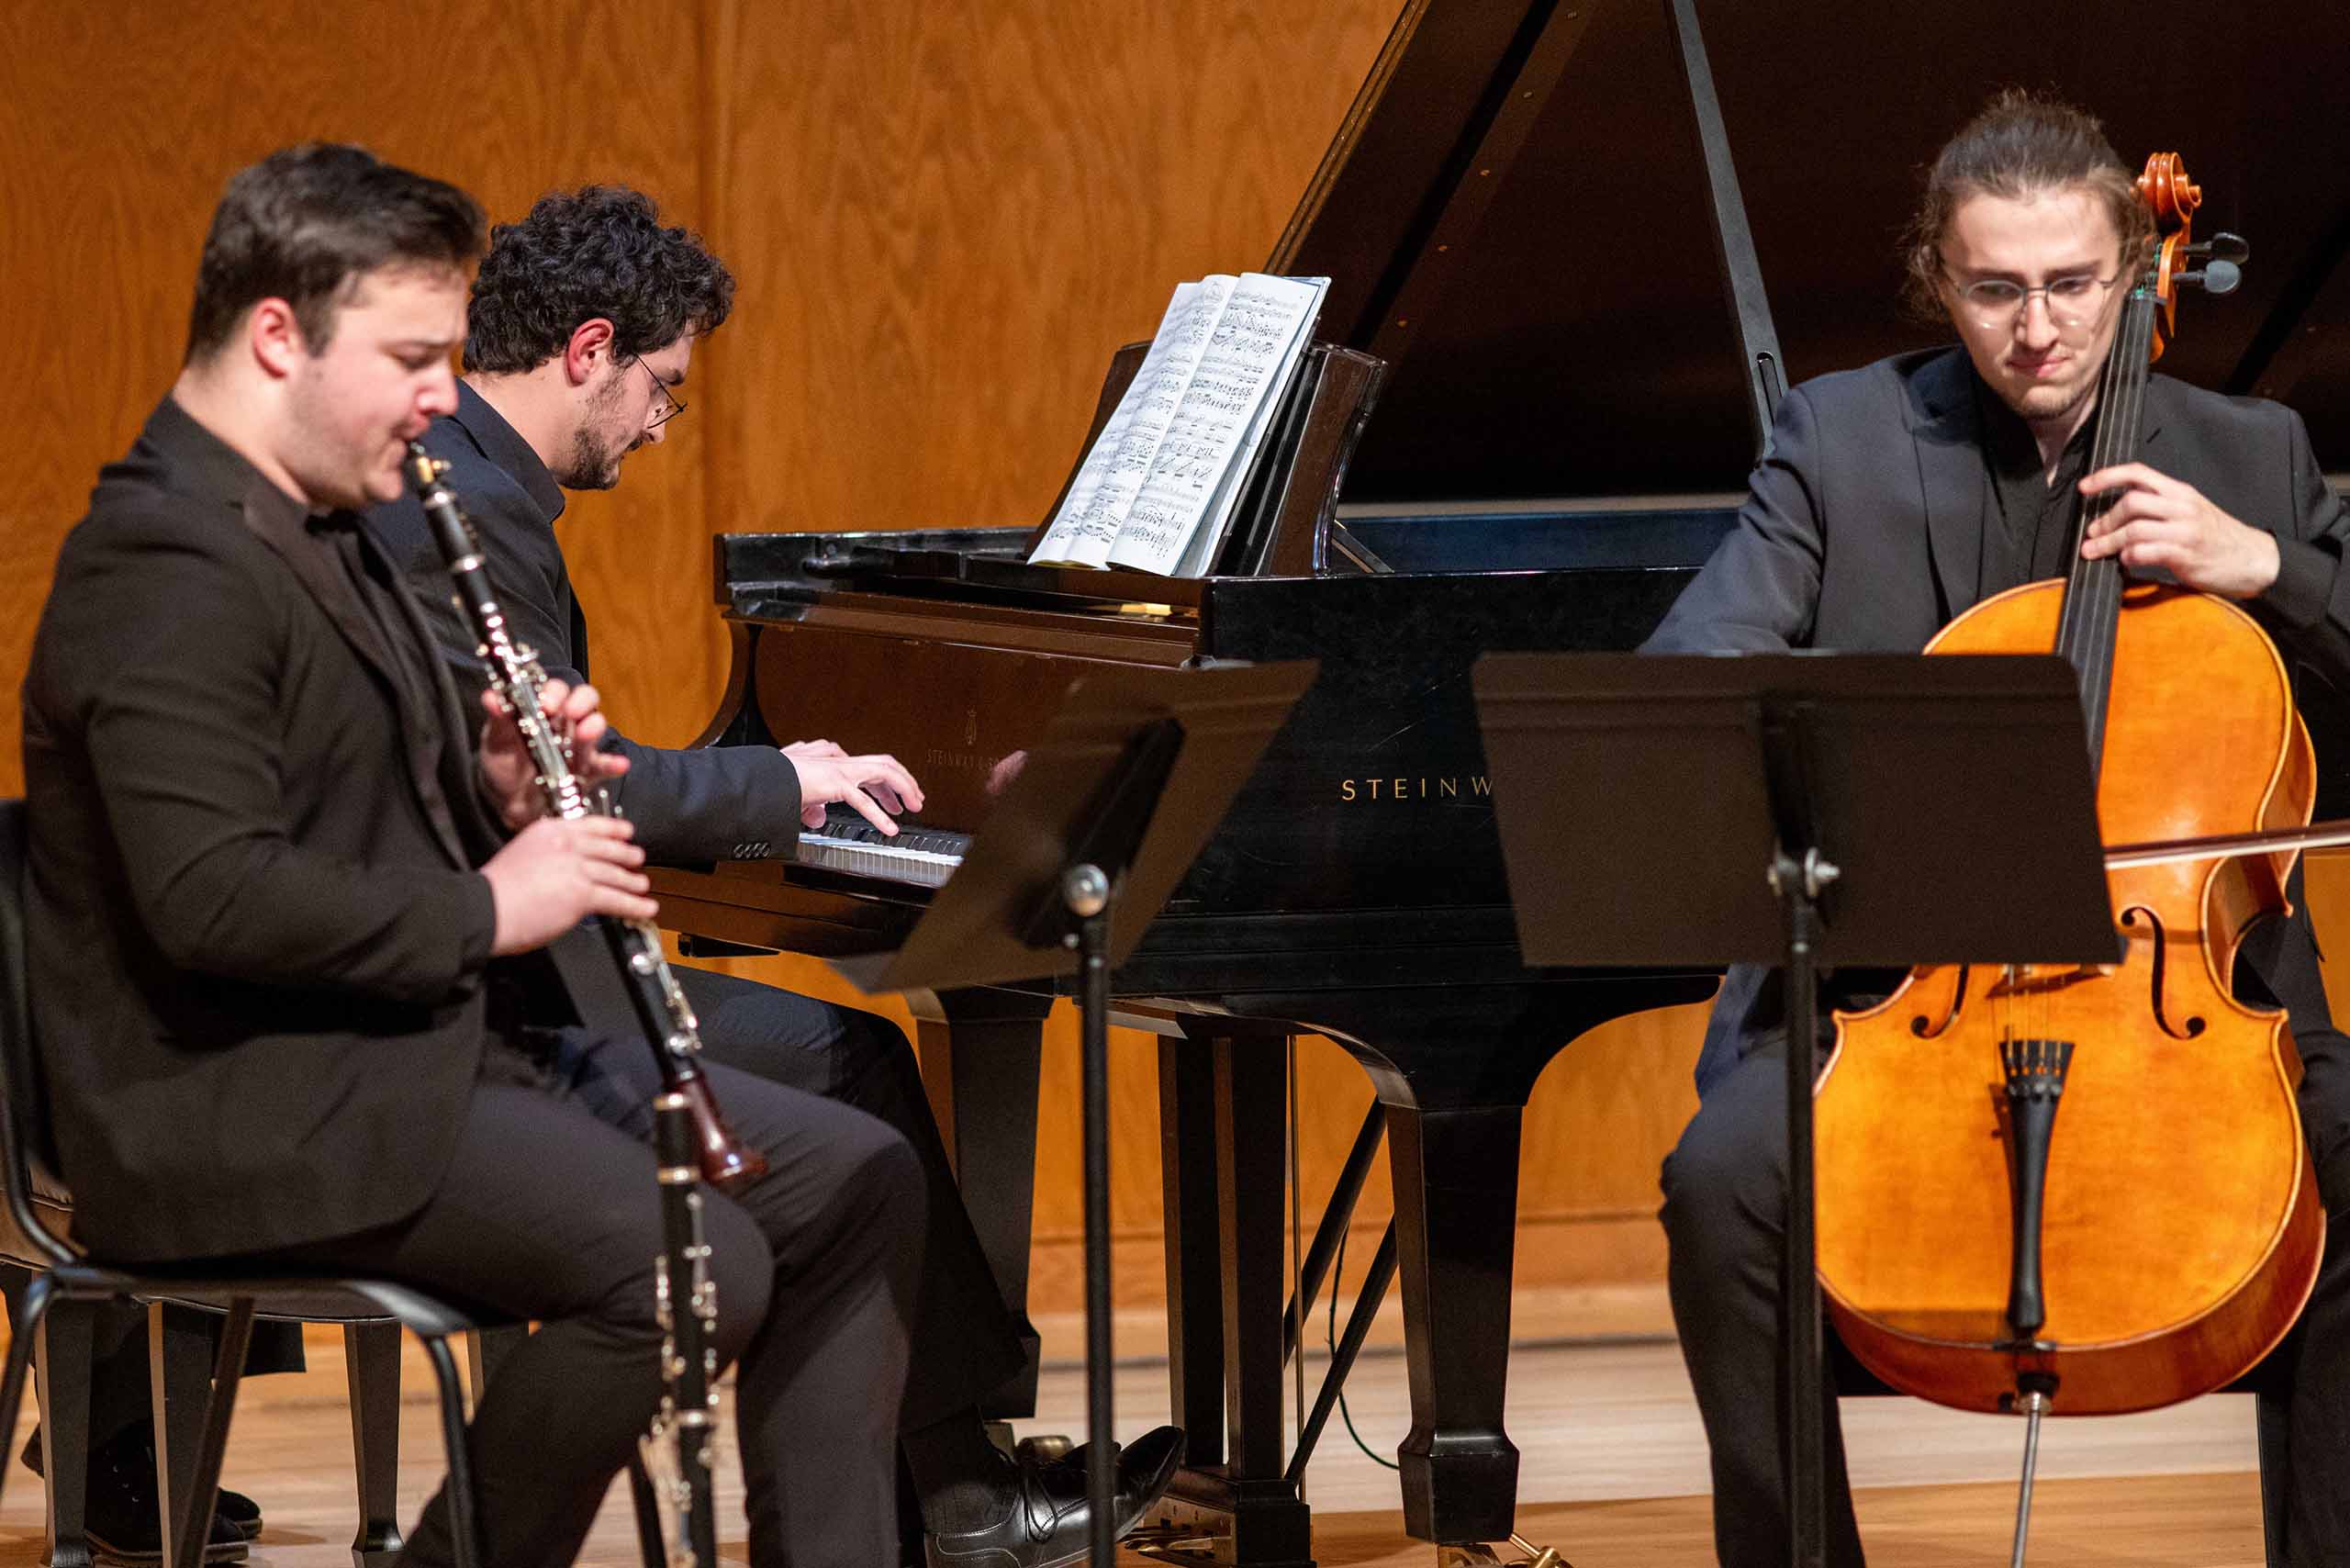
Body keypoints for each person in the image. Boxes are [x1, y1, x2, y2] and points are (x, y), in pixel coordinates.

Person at [21, 143, 929, 1568]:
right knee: (685, 1269)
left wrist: (497, 788)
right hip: (250, 1094)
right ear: (279, 337)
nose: (446, 398)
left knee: (857, 1175)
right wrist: (493, 898)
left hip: (381, 1045)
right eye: (413, 359)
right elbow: (210, 899)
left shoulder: (308, 527)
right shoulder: (167, 564)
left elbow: (351, 795)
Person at [364, 184, 1181, 1568]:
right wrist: (776, 786)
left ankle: (950, 1478)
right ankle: (959, 1484)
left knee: (846, 1065)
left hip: (484, 963)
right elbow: (573, 781)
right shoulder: (473, 512)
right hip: (485, 1000)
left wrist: (761, 790)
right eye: (664, 390)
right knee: (849, 1077)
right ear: (590, 349)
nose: (661, 426)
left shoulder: (465, 482)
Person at [1642, 90, 2350, 1566]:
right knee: (1724, 1187)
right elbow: (1691, 683)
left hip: (2192, 1007)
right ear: (1940, 284)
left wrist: (2266, 565)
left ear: (2137, 273)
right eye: (1997, 290)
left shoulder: (2255, 454)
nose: (2040, 327)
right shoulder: (1839, 440)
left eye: (2077, 284)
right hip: (1887, 1001)